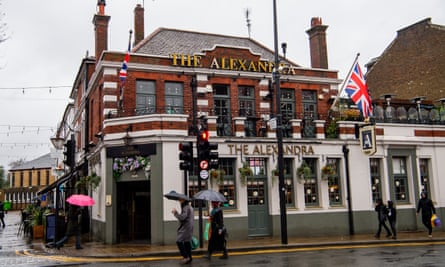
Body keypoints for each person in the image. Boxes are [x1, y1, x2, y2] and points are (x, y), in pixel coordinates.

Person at [172, 196, 194, 265]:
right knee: (187, 242)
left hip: (186, 228)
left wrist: (175, 213)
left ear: (184, 200)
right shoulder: (189, 207)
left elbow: (182, 217)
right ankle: (189, 257)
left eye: (180, 200)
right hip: (189, 227)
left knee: (179, 241)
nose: (179, 201)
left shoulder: (185, 207)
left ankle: (186, 256)